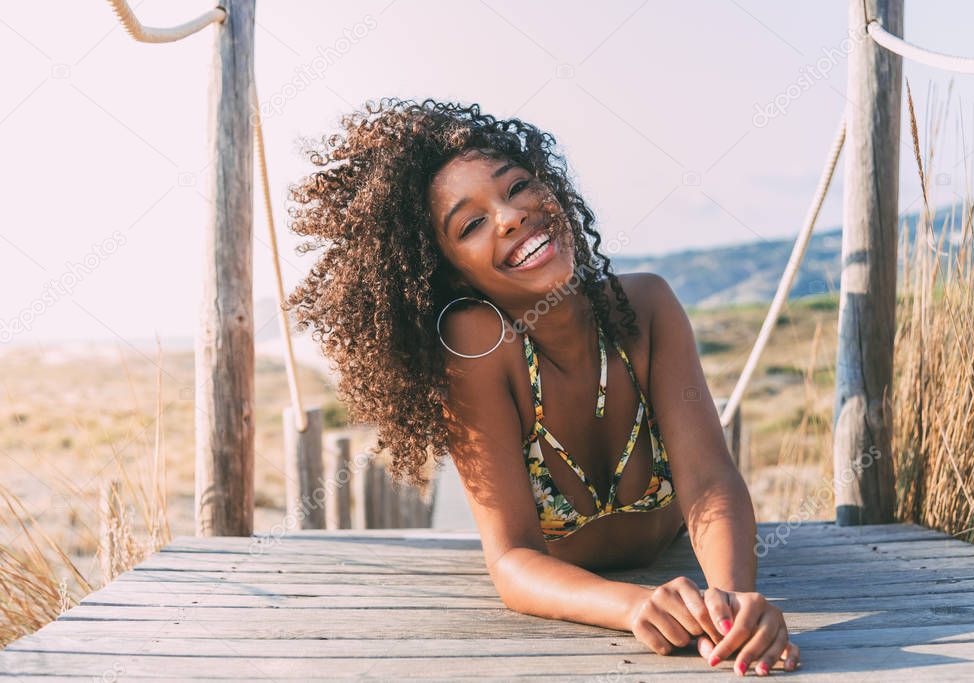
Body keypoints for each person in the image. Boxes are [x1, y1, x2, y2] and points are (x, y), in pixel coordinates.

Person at [286, 98, 800, 676]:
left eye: (519, 186)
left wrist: (731, 606)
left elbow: (708, 481)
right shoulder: (478, 346)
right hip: (586, 600)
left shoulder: (647, 307)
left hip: (681, 561)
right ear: (451, 272)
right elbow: (512, 559)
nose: (509, 216)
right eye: (473, 224)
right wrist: (634, 605)